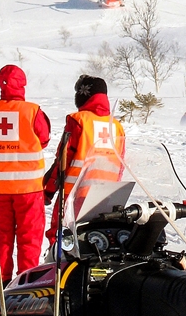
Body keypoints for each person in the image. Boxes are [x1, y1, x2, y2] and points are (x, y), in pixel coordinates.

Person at [0, 65, 51, 292]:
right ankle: (26, 291)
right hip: (29, 190)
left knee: (2, 243)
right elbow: (44, 138)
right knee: (29, 242)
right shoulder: (32, 111)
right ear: (23, 83)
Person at [43, 75, 125, 242]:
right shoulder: (116, 126)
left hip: (75, 194)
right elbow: (122, 165)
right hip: (106, 196)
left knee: (61, 238)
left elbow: (63, 160)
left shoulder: (78, 121)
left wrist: (49, 190)